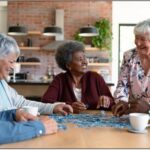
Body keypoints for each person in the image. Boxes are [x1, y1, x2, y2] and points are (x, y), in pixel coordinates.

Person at [0, 33, 73, 115]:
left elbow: (21, 103)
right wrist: (15, 115)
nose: (13, 67)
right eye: (11, 62)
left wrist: (52, 107)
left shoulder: (3, 84)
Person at [42, 41, 114, 113]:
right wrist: (69, 105)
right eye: (80, 59)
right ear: (68, 65)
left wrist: (107, 100)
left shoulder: (95, 77)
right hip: (68, 122)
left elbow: (112, 103)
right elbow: (46, 102)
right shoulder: (60, 80)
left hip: (95, 122)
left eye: (85, 58)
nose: (85, 62)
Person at [112, 19, 150, 116]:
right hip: (132, 116)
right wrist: (122, 101)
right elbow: (122, 85)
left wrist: (148, 108)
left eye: (142, 39)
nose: (137, 42)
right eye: (136, 38)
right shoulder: (129, 56)